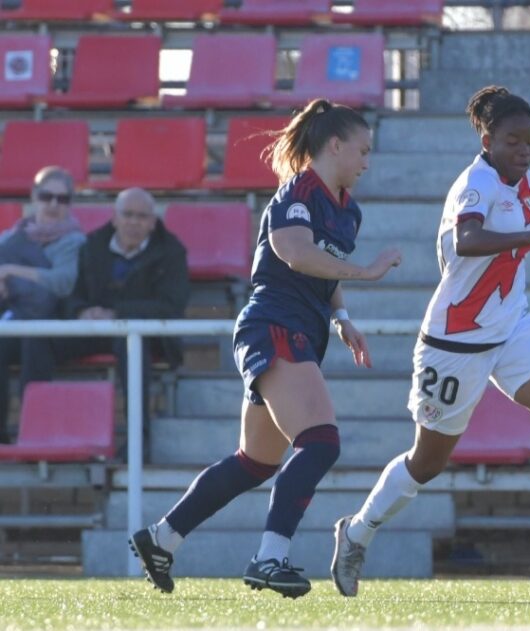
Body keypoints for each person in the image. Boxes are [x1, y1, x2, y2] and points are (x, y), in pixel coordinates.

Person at [330, 86, 530, 597]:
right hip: (456, 341)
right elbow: (468, 240)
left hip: (512, 327)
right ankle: (357, 531)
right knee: (427, 462)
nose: (524, 150)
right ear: (487, 138)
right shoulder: (475, 184)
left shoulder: (529, 184)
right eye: (513, 140)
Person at [127, 99, 402, 599]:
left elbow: (326, 265)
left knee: (254, 461)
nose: (367, 161)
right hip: (274, 325)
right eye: (362, 150)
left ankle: (163, 537)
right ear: (334, 145)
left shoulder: (348, 209)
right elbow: (296, 253)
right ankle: (269, 557)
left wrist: (342, 319)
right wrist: (368, 272)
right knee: (321, 442)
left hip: (300, 328)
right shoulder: (297, 191)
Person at [22, 187, 189, 449]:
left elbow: (171, 306)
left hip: (145, 337)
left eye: (142, 216)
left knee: (132, 345)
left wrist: (117, 314)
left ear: (153, 222)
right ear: (115, 218)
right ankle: (33, 433)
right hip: (93, 329)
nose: (134, 222)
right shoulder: (92, 245)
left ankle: (138, 441)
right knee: (37, 340)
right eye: (128, 214)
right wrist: (81, 311)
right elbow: (71, 296)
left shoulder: (172, 252)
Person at [0, 166, 86, 443]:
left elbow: (63, 282)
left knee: (34, 343)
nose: (53, 205)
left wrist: (12, 272)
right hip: (12, 320)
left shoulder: (75, 241)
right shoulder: (10, 238)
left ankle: (31, 434)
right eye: (47, 196)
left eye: (62, 199)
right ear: (34, 196)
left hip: (54, 328)